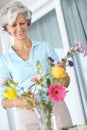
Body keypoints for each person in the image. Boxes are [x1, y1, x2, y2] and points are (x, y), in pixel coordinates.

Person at [0, 1, 72, 130]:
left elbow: (65, 83)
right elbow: (4, 99)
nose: (19, 28)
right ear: (7, 28)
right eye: (13, 25)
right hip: (27, 115)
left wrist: (62, 75)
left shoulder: (45, 47)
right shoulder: (5, 61)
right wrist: (19, 101)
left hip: (55, 107)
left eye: (22, 23)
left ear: (28, 23)